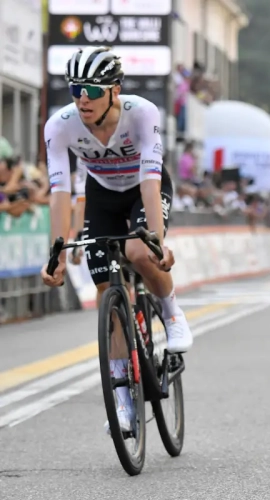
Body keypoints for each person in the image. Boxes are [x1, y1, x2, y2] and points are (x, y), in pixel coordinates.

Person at [40, 46, 194, 434]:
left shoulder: (141, 113)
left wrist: (157, 240)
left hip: (144, 188)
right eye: (76, 89)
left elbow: (150, 178)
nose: (82, 98)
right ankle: (123, 404)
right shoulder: (60, 125)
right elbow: (59, 192)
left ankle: (172, 314)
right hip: (102, 196)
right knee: (108, 293)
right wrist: (57, 251)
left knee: (140, 252)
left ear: (115, 90)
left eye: (93, 90)